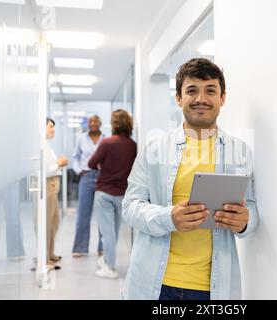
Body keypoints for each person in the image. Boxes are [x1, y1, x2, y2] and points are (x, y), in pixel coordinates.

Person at [121, 58, 259, 300]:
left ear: (222, 98)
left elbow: (252, 210)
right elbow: (130, 207)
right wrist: (169, 217)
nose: (201, 99)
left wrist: (245, 222)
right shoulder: (154, 148)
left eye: (210, 90)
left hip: (210, 287)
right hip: (155, 282)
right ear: (178, 98)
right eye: (191, 90)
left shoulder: (240, 151)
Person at [88, 110, 137, 279]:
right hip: (122, 194)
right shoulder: (132, 145)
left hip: (105, 193)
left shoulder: (106, 143)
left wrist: (103, 165)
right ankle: (108, 260)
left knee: (107, 232)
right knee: (113, 231)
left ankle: (110, 267)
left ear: (114, 124)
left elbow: (91, 163)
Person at [71, 115, 104, 258]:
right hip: (86, 177)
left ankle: (103, 248)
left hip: (103, 178)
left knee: (104, 214)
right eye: (91, 122)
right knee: (83, 214)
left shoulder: (106, 138)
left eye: (96, 121)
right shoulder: (81, 138)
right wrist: (79, 171)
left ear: (100, 123)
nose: (94, 124)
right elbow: (75, 157)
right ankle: (80, 247)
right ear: (88, 124)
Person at [45, 117, 68, 270]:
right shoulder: (40, 146)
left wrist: (58, 164)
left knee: (53, 222)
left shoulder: (47, 146)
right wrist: (59, 163)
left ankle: (50, 253)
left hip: (52, 187)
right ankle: (45, 257)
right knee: (47, 223)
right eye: (50, 126)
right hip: (47, 187)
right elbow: (46, 170)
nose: (53, 129)